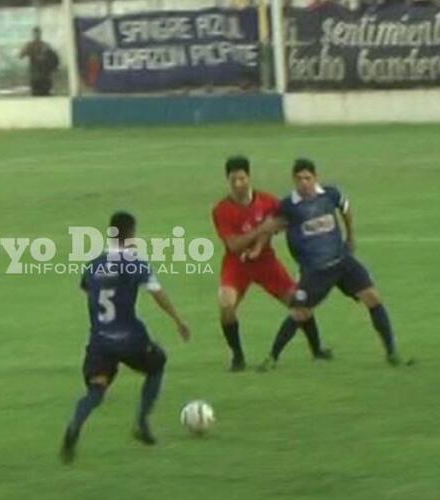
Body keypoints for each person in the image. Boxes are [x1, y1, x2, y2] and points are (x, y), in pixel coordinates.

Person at [60, 212, 191, 464]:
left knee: (96, 390)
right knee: (157, 363)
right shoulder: (135, 263)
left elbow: (87, 290)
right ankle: (141, 422)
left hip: (99, 341)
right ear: (131, 234)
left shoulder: (94, 263)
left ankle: (75, 426)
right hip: (129, 338)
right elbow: (156, 292)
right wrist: (178, 319)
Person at [257, 159, 411, 369]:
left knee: (373, 297)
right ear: (294, 180)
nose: (304, 183)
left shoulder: (330, 194)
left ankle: (392, 352)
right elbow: (269, 227)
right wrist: (258, 248)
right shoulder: (287, 206)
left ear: (315, 178)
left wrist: (351, 237)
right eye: (299, 179)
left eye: (307, 178)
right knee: (299, 312)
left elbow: (345, 208)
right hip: (315, 271)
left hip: (342, 262)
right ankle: (272, 358)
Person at [212, 156, 331, 371]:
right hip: (237, 264)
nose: (238, 184)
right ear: (227, 181)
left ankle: (317, 349)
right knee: (226, 304)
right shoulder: (221, 210)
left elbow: (283, 222)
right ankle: (238, 356)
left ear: (249, 177)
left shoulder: (268, 201)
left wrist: (261, 241)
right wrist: (262, 229)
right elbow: (234, 246)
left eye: (241, 178)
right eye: (233, 180)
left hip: (266, 262)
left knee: (299, 301)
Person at [19, 27, 59, 97]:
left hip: (44, 77)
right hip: (36, 77)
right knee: (37, 96)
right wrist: (27, 50)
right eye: (35, 34)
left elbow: (53, 59)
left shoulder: (45, 45)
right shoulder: (30, 45)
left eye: (38, 33)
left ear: (40, 34)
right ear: (33, 35)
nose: (36, 35)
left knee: (45, 95)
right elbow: (21, 55)